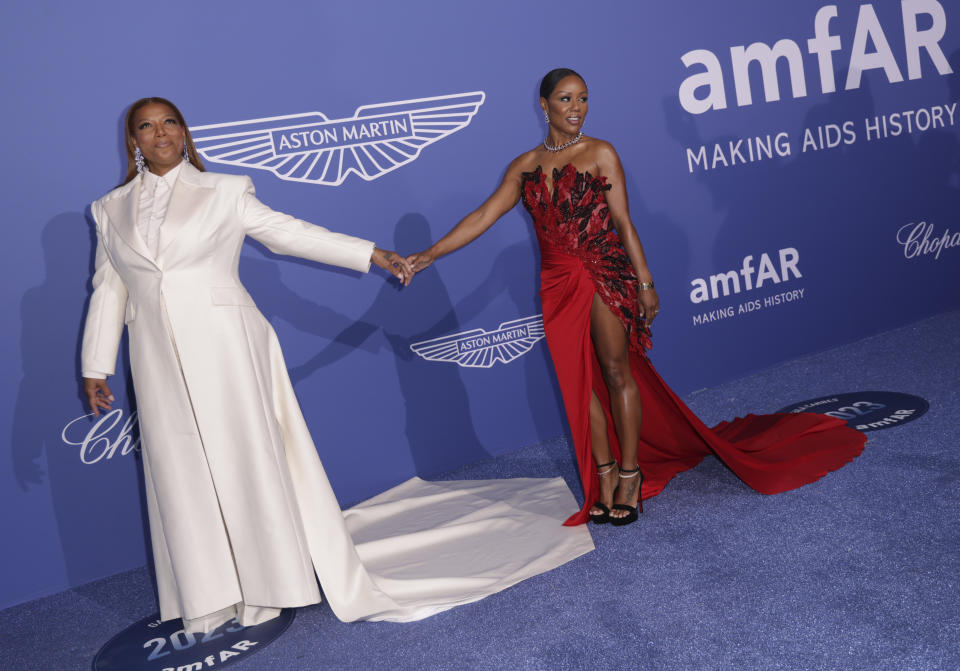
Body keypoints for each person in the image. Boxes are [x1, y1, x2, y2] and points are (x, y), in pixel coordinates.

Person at [81, 97, 593, 634]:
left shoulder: (225, 190)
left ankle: (266, 587)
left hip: (227, 345)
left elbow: (292, 233)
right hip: (155, 357)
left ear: (184, 132)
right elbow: (108, 289)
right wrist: (96, 365)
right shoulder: (108, 209)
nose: (160, 132)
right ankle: (206, 594)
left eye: (170, 122)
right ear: (133, 141)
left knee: (244, 461)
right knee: (178, 471)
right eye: (147, 126)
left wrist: (372, 253)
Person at [406, 69, 866, 526]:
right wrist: (429, 254)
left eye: (583, 99)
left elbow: (623, 222)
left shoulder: (601, 153)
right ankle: (603, 475)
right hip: (556, 284)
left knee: (613, 371)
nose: (576, 109)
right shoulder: (524, 166)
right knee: (579, 382)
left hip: (604, 274)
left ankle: (630, 474)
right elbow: (484, 214)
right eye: (566, 99)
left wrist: (644, 282)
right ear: (543, 105)